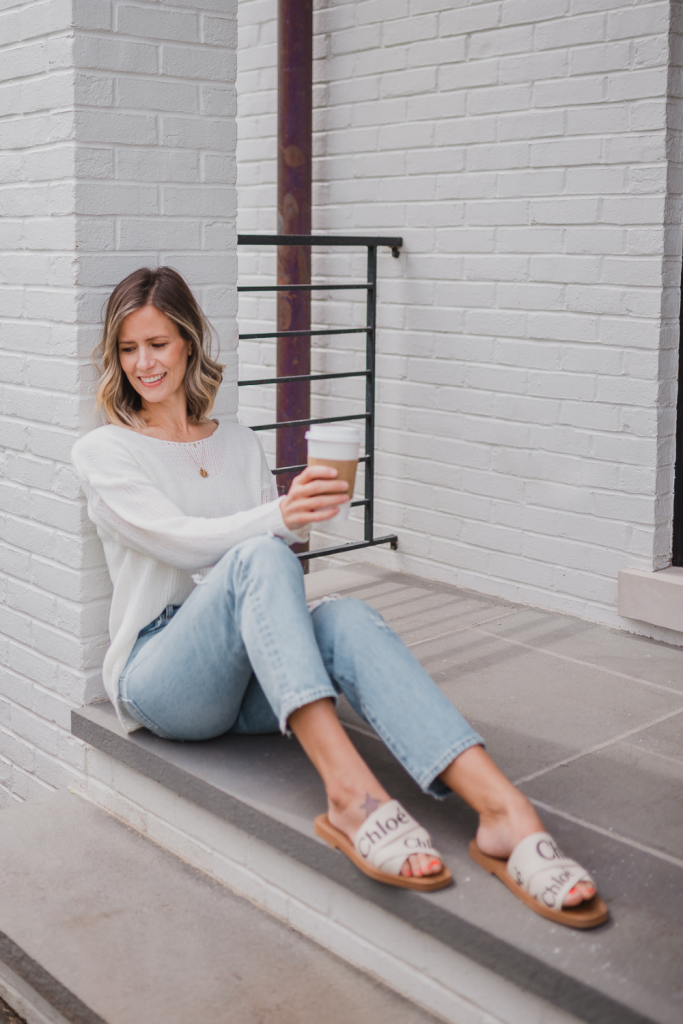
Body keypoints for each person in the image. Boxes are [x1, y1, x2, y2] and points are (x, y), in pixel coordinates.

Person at [72, 267, 607, 929]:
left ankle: (503, 813)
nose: (144, 363)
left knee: (346, 614)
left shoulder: (236, 441)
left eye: (157, 343)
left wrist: (291, 522)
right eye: (128, 349)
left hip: (239, 672)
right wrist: (281, 517)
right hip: (160, 676)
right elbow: (186, 544)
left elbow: (252, 572)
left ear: (187, 341)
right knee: (264, 551)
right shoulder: (104, 450)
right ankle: (350, 796)